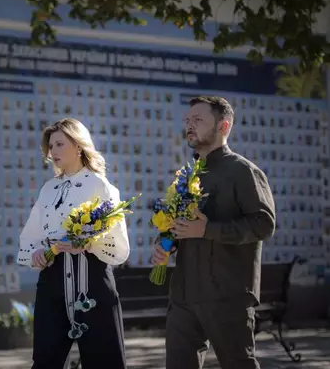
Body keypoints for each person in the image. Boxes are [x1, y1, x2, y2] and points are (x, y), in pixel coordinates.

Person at [153, 96, 276, 369]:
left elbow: (263, 224)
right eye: (187, 120)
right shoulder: (187, 175)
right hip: (183, 294)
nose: (189, 126)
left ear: (224, 127)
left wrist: (208, 229)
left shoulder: (243, 171)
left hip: (228, 293)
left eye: (198, 120)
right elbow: (178, 225)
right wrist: (165, 244)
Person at [17, 118, 130, 369]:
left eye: (59, 144)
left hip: (92, 281)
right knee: (46, 360)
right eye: (50, 146)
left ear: (79, 146)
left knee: (104, 361)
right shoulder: (48, 188)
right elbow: (31, 235)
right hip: (52, 282)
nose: (52, 151)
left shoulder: (100, 185)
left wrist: (88, 244)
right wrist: (36, 253)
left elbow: (119, 246)